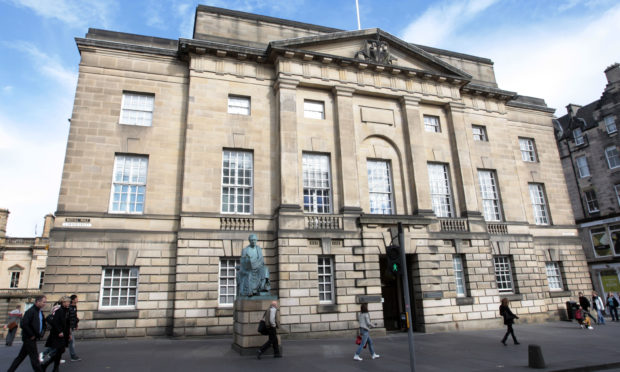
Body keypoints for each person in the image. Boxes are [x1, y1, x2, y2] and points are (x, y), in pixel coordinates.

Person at [7, 295, 47, 372]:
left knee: (20, 357)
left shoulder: (39, 312)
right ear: (37, 302)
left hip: (32, 337)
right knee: (35, 359)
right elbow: (24, 324)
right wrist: (31, 335)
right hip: (29, 338)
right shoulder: (31, 311)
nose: (44, 304)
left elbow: (41, 323)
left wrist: (41, 333)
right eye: (43, 302)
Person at [41, 296, 71, 372]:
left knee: (60, 352)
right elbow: (55, 322)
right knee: (60, 351)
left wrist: (69, 333)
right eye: (68, 302)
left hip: (64, 334)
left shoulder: (66, 310)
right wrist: (59, 331)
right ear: (64, 302)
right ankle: (50, 367)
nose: (69, 303)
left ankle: (50, 367)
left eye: (69, 302)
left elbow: (67, 323)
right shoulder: (59, 310)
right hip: (58, 334)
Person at [68, 295, 81, 361]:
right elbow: (69, 318)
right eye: (76, 298)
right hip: (68, 327)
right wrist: (69, 327)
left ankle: (49, 353)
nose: (77, 299)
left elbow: (75, 317)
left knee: (67, 342)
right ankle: (73, 356)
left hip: (72, 326)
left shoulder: (74, 307)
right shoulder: (69, 307)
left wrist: (76, 325)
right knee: (71, 341)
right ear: (73, 300)